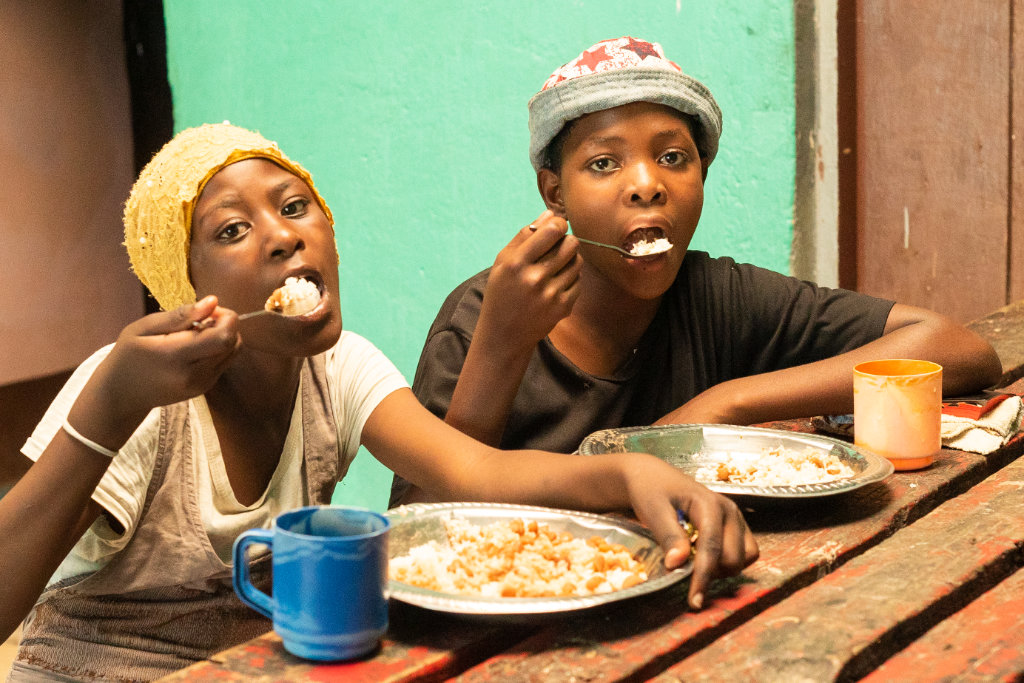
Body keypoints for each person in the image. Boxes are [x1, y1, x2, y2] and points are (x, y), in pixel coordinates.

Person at [0, 122, 756, 682]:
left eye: (296, 206)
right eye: (232, 228)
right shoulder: (138, 388)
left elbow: (476, 474)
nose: (281, 237)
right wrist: (107, 409)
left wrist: (629, 473)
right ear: (186, 285)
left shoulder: (339, 366)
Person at [391, 36, 1002, 505]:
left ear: (701, 177)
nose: (646, 185)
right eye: (604, 164)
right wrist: (501, 345)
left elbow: (959, 348)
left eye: (673, 157)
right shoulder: (483, 316)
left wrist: (726, 402)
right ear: (555, 194)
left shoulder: (714, 297)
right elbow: (420, 524)